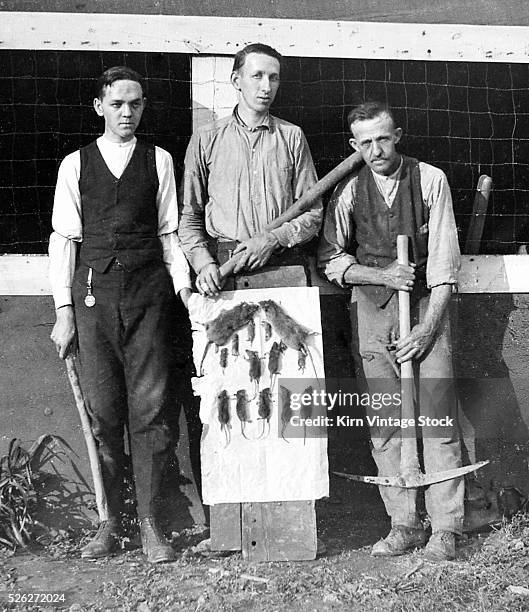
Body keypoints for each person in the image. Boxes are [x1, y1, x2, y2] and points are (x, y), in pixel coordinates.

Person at [49, 66, 192, 564]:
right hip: (93, 301)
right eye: (117, 104)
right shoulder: (75, 165)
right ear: (99, 106)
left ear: (143, 106)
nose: (127, 113)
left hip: (151, 300)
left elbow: (171, 236)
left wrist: (186, 295)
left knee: (151, 412)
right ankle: (112, 522)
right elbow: (64, 241)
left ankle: (152, 524)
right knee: (105, 412)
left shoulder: (159, 160)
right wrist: (63, 311)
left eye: (135, 104)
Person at [318, 101, 463, 562]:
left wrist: (425, 328)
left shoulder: (430, 180)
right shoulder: (347, 191)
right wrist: (380, 276)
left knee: (436, 419)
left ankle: (445, 528)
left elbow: (443, 268)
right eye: (365, 143)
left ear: (397, 134)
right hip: (371, 312)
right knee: (385, 422)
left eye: (383, 138)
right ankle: (404, 524)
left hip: (424, 310)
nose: (376, 149)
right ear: (353, 146)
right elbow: (331, 259)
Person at [178, 42, 322, 291]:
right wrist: (203, 264)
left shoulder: (292, 136)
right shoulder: (206, 137)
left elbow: (313, 213)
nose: (266, 87)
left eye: (273, 78)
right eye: (257, 76)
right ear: (236, 80)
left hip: (284, 266)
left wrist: (273, 239)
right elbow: (189, 215)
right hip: (226, 267)